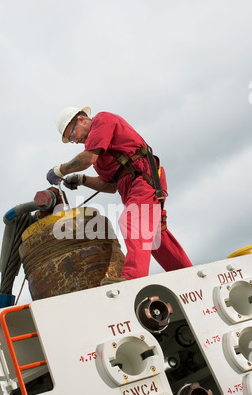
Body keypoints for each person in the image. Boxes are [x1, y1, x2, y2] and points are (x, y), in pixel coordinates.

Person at [46, 106, 192, 284]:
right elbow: (109, 186)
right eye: (71, 139)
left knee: (132, 221)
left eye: (72, 134)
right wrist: (82, 179)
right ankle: (190, 277)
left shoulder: (102, 120)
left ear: (81, 120)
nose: (75, 140)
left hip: (144, 178)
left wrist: (60, 170)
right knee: (154, 237)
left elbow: (87, 158)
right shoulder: (98, 155)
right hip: (132, 187)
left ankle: (132, 279)